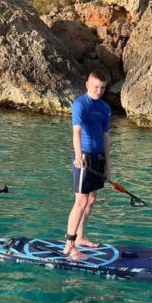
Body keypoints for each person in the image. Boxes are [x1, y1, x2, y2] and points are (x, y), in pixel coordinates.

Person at [63, 71, 112, 261]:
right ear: (87, 85)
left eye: (102, 88)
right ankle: (69, 245)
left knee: (91, 199)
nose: (98, 91)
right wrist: (78, 155)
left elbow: (106, 137)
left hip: (98, 158)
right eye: (95, 87)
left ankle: (81, 237)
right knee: (81, 201)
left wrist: (108, 164)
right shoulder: (80, 105)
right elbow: (76, 132)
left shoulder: (105, 108)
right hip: (83, 156)